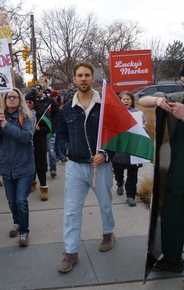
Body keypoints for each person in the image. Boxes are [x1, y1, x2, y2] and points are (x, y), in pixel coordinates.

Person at [138, 57, 184, 289]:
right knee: (171, 220)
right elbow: (143, 99)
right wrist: (160, 100)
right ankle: (172, 259)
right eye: (183, 82)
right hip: (176, 175)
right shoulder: (182, 98)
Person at [56, 61, 115, 273]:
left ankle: (108, 232)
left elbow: (116, 134)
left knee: (105, 203)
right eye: (79, 75)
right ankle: (71, 252)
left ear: (93, 78)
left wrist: (107, 153)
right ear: (74, 79)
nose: (83, 79)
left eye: (87, 75)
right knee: (71, 211)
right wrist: (67, 150)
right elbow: (59, 135)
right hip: (75, 167)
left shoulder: (105, 105)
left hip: (101, 166)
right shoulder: (66, 109)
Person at [0, 88, 35, 247]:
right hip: (6, 167)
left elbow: (26, 137)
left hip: (24, 166)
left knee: (21, 200)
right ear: (4, 100)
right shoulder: (0, 117)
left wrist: (6, 125)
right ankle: (17, 222)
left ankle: (24, 231)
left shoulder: (27, 117)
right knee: (11, 201)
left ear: (19, 99)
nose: (12, 99)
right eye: (9, 97)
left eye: (15, 97)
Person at [112, 91, 147, 207]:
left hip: (133, 149)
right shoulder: (114, 113)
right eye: (123, 99)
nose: (126, 101)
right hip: (119, 148)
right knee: (118, 170)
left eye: (128, 99)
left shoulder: (138, 113)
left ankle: (131, 195)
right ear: (119, 101)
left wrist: (143, 128)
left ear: (132, 101)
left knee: (132, 173)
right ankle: (119, 182)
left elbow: (144, 127)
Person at [25, 91, 50, 201]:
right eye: (25, 102)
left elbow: (48, 129)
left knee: (40, 166)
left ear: (34, 103)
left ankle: (44, 188)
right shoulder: (22, 114)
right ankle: (32, 182)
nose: (28, 104)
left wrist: (39, 129)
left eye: (30, 102)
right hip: (27, 144)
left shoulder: (41, 114)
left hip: (39, 143)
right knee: (31, 165)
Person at [35, 84, 60, 178]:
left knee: (51, 149)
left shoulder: (50, 101)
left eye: (39, 90)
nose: (37, 93)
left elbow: (57, 113)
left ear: (42, 91)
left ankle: (53, 168)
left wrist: (53, 125)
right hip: (38, 131)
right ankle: (40, 169)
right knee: (40, 151)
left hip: (50, 130)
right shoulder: (33, 101)